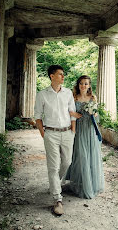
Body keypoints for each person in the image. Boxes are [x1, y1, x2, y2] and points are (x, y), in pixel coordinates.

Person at [34, 65, 78, 216]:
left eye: (63, 75)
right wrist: (43, 133)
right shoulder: (42, 95)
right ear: (52, 76)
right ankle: (57, 199)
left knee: (66, 162)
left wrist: (73, 131)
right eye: (60, 74)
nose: (63, 77)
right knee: (53, 167)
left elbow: (72, 113)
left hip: (67, 133)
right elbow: (38, 116)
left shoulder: (68, 94)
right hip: (51, 134)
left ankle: (55, 185)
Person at [65, 75, 104, 199]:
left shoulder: (93, 98)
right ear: (78, 85)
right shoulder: (73, 97)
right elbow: (67, 112)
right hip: (79, 130)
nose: (83, 86)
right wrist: (74, 114)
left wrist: (93, 113)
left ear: (89, 85)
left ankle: (91, 184)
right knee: (81, 156)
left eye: (86, 84)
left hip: (90, 130)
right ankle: (80, 184)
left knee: (91, 155)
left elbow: (97, 118)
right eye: (81, 83)